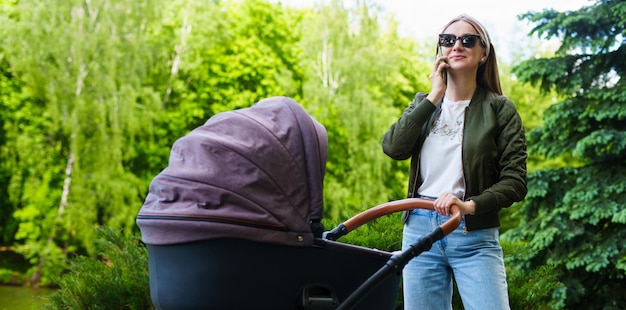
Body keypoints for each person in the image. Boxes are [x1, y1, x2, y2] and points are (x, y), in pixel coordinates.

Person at [381, 14, 527, 310]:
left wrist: (470, 206)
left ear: (483, 53)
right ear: (440, 51)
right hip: (420, 230)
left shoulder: (500, 109)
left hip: (473, 233)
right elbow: (393, 147)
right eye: (447, 40)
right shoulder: (425, 103)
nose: (456, 45)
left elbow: (515, 182)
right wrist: (434, 95)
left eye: (467, 39)